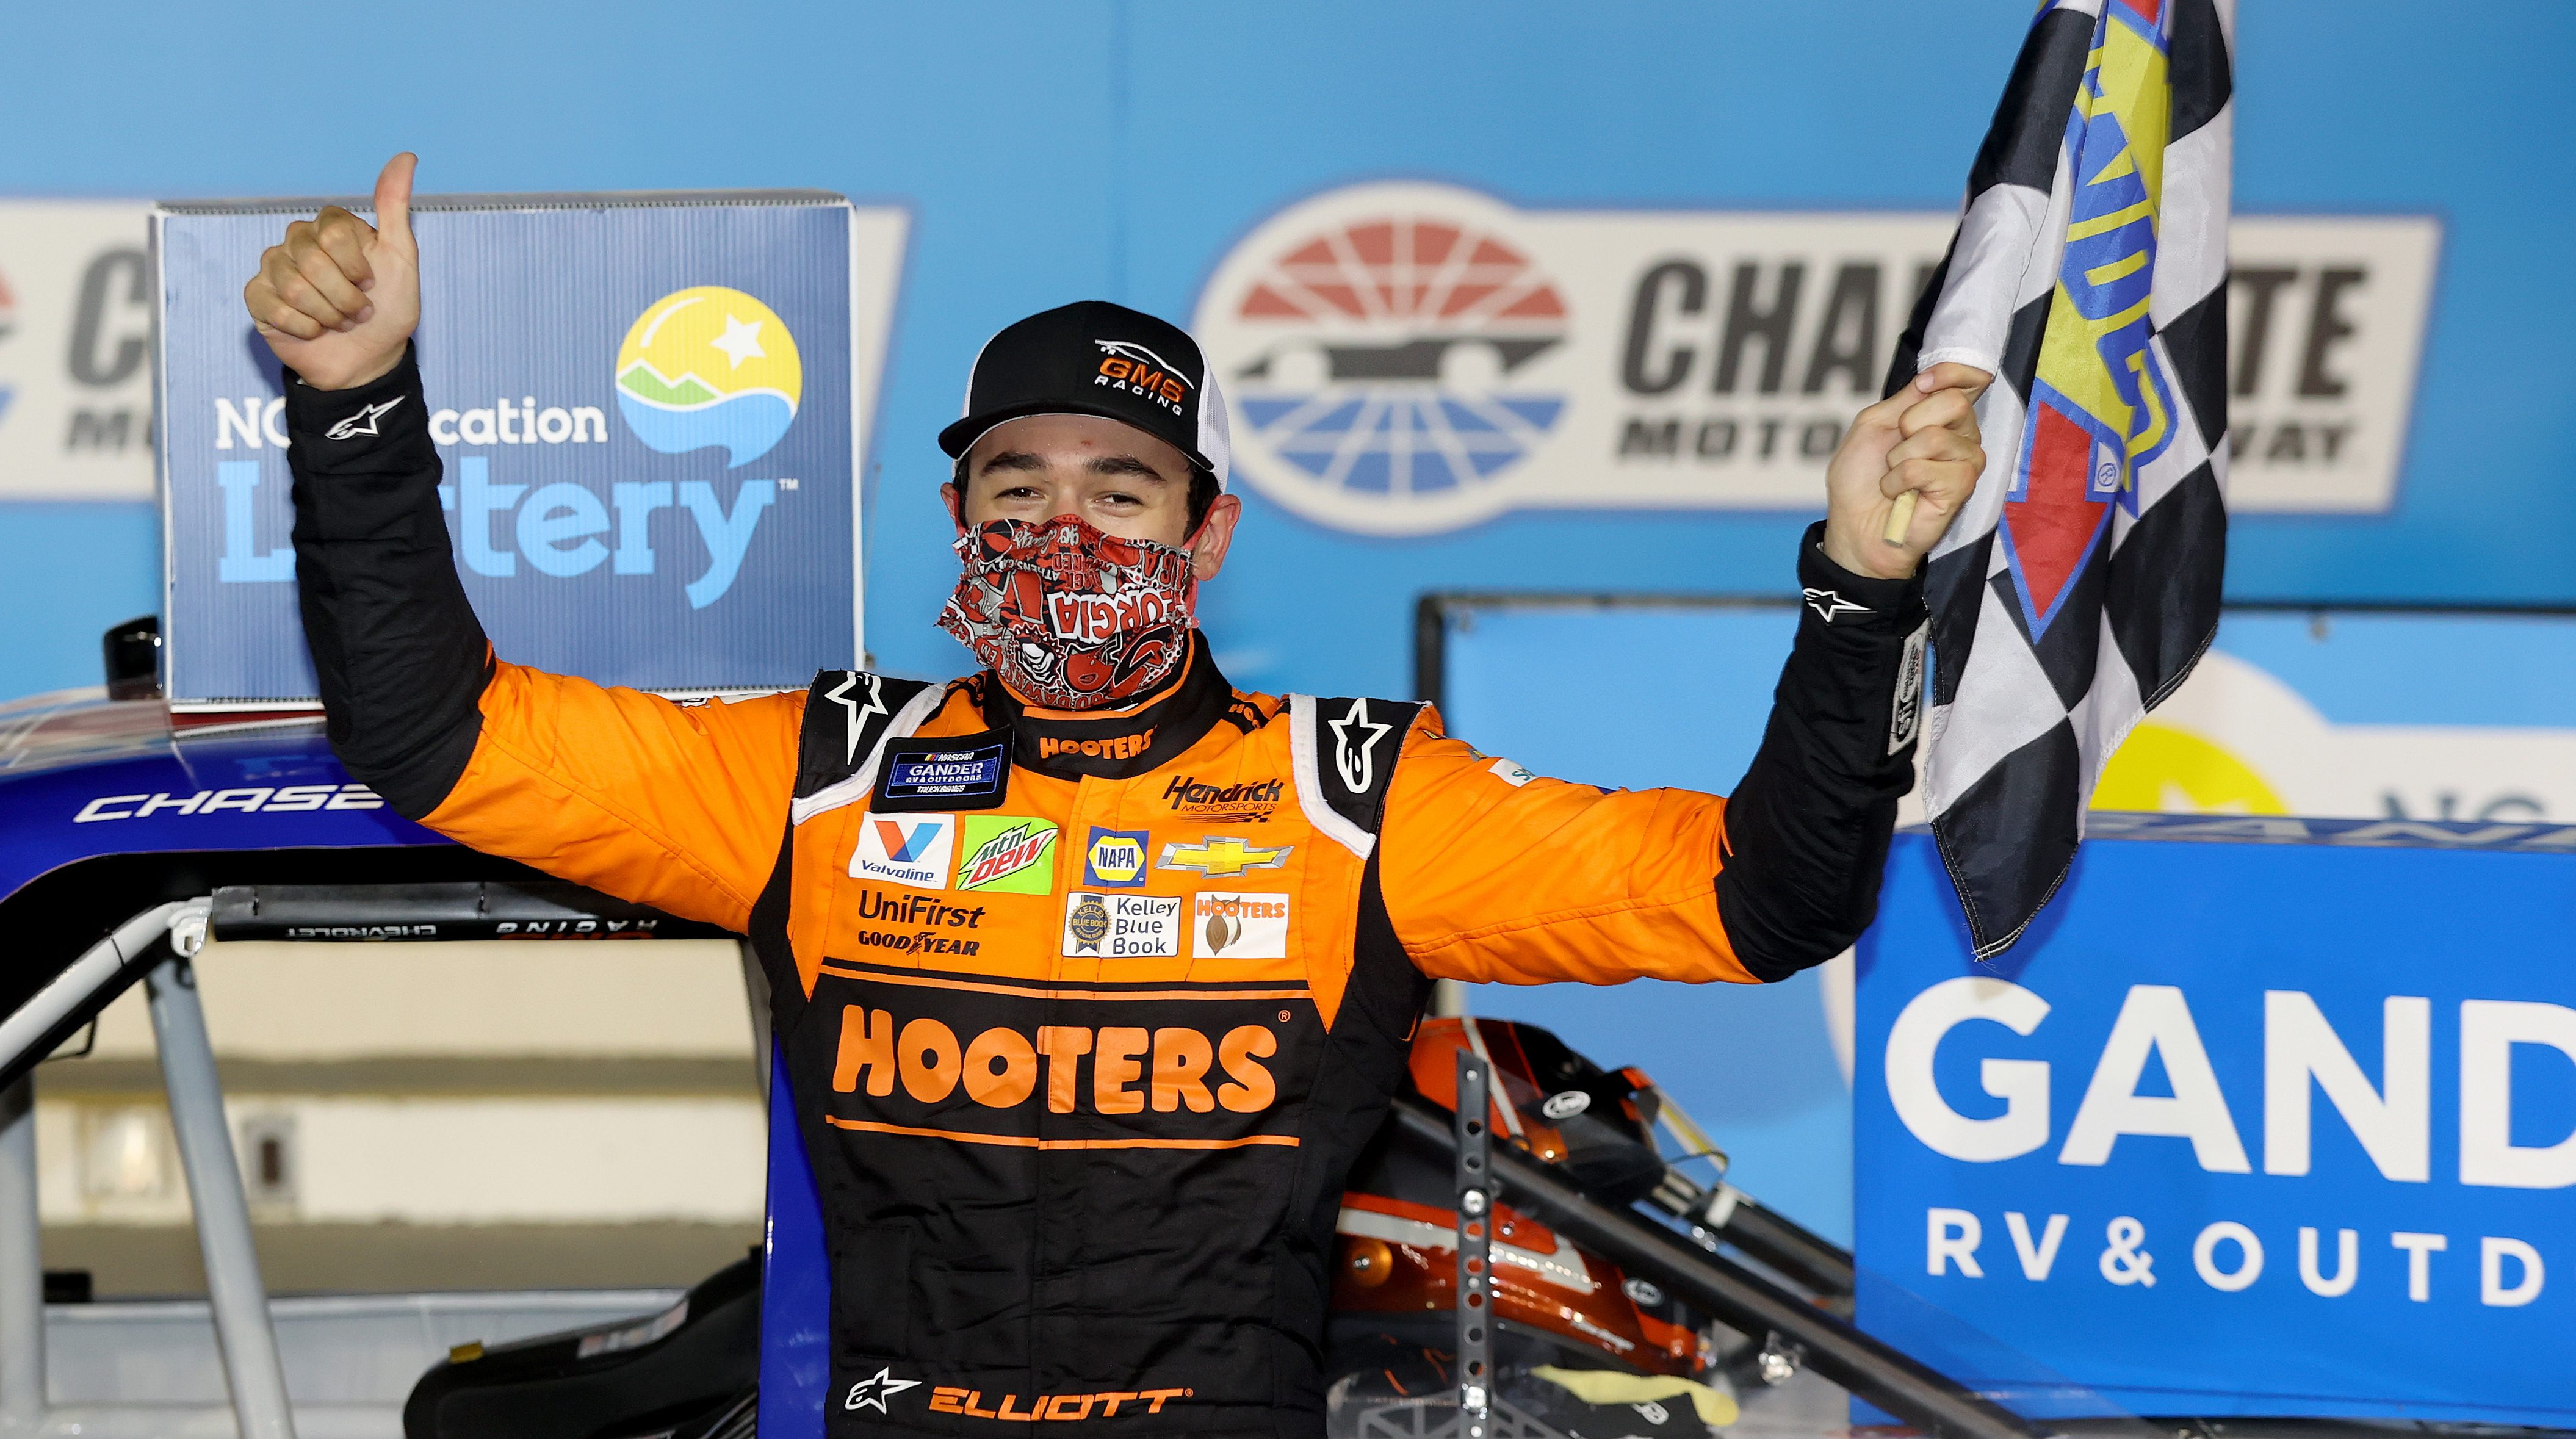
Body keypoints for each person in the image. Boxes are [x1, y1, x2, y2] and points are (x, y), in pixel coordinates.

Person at [248, 153, 1988, 1439]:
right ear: (958, 525)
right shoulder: (817, 777)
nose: (1064, 533)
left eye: (1122, 491)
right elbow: (439, 737)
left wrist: (1856, 585)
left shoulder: (1357, 799)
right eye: (1017, 488)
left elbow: (1771, 898)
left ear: (1206, 533)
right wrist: (355, 411)